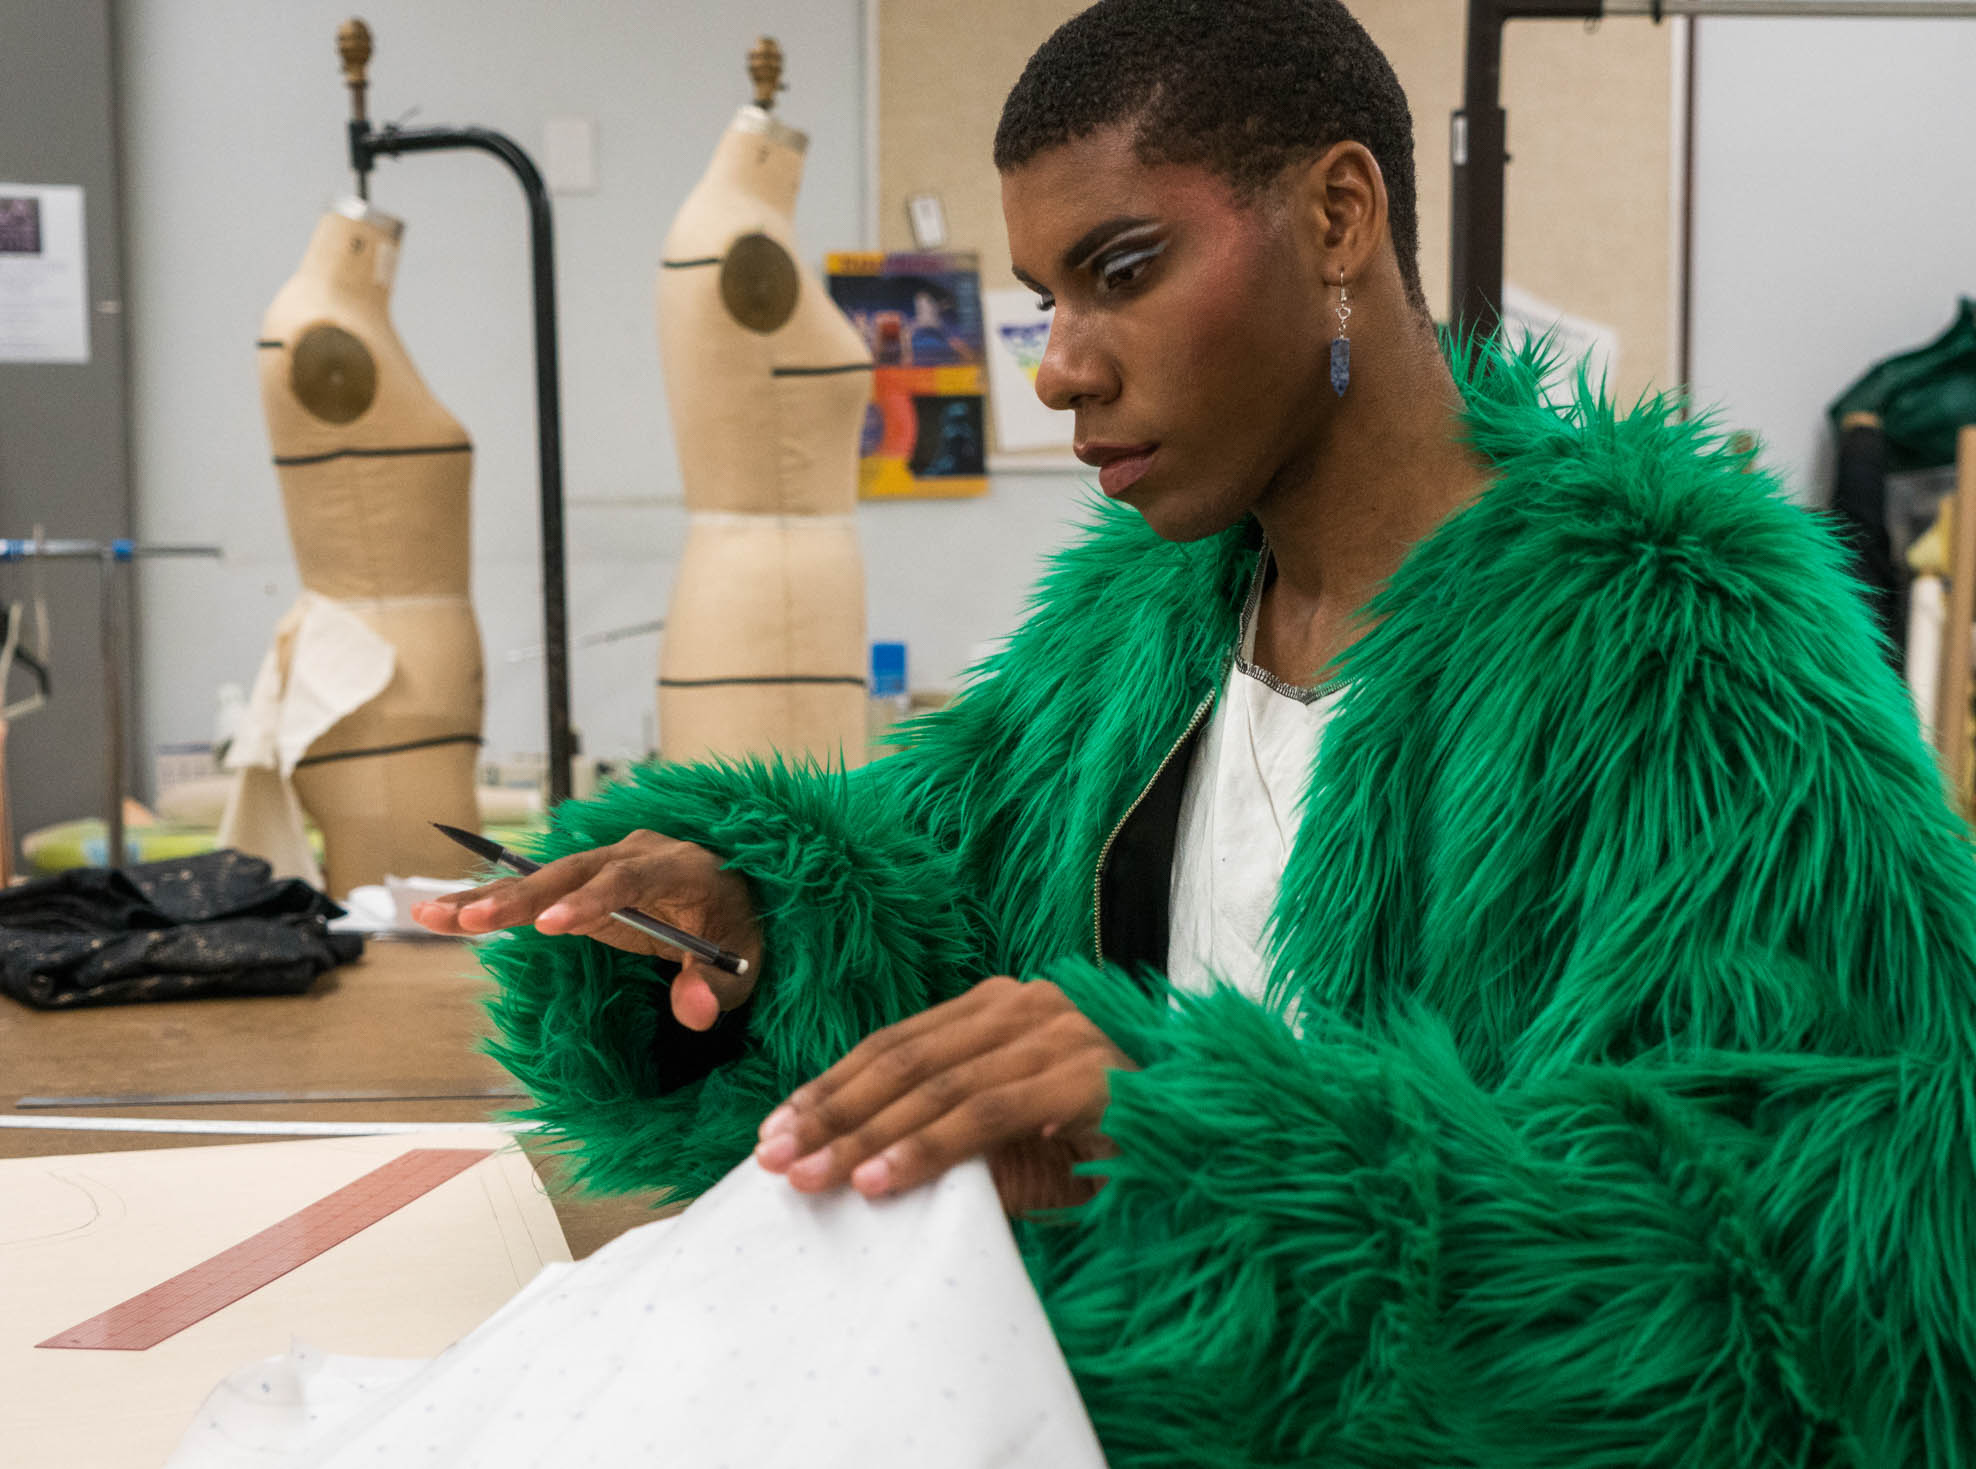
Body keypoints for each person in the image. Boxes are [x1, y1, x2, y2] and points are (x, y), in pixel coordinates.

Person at [417, 0, 1976, 1460]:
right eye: (1045, 297)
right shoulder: (1134, 638)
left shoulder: (1684, 662)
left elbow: (1827, 1293)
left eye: (1125, 267)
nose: (1060, 367)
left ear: (1340, 218)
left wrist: (1219, 1148)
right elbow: (941, 932)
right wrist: (750, 925)